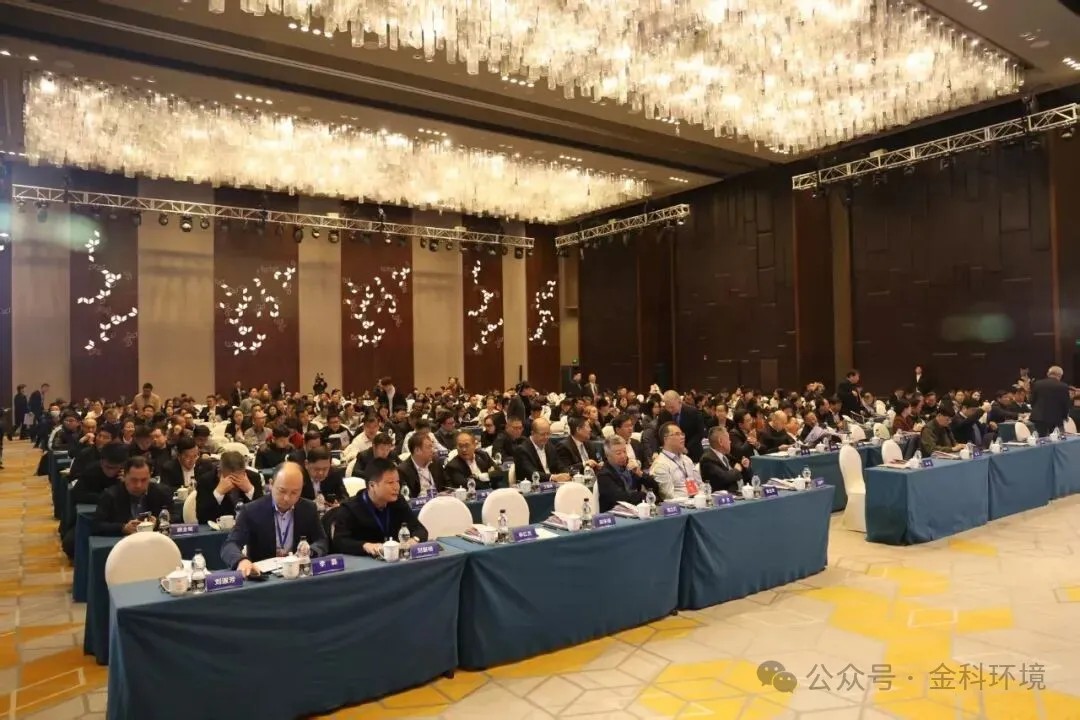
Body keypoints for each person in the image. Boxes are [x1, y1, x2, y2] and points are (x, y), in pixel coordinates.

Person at [221, 462, 328, 576]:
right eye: (282, 491)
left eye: (294, 492)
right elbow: (230, 545)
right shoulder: (251, 510)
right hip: (265, 576)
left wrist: (309, 551)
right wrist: (241, 561)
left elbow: (322, 541)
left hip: (297, 572)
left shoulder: (308, 508)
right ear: (271, 484)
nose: (287, 498)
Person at [330, 458, 427, 557]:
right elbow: (339, 542)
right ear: (372, 485)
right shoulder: (350, 509)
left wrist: (414, 540)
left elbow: (420, 530)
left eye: (397, 481)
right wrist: (365, 546)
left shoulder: (398, 502)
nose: (396, 487)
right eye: (390, 483)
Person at [92, 456, 172, 535]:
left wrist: (158, 522)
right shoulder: (110, 495)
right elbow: (96, 525)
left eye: (144, 480)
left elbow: (176, 516)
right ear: (124, 476)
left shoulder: (162, 492)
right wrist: (123, 528)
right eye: (134, 480)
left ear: (150, 475)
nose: (138, 485)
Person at [595, 435, 662, 512]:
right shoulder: (604, 475)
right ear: (607, 456)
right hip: (615, 513)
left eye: (624, 451)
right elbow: (620, 497)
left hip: (637, 509)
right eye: (618, 453)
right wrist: (644, 495)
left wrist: (640, 473)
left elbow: (655, 486)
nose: (623, 456)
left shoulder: (629, 467)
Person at [196, 450, 264, 524]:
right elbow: (202, 518)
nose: (234, 482)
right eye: (230, 478)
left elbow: (264, 512)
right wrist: (218, 493)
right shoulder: (205, 481)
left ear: (244, 471)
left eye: (238, 477)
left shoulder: (253, 477)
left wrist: (250, 490)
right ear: (219, 471)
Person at [649, 422, 701, 499]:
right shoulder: (660, 465)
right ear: (666, 439)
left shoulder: (687, 459)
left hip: (698, 500)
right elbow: (669, 496)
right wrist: (691, 500)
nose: (682, 437)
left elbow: (700, 484)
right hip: (682, 504)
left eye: (682, 434)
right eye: (677, 434)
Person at [512, 417, 571, 484]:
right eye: (542, 434)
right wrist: (552, 477)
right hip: (532, 486)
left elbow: (559, 464)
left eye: (548, 433)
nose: (546, 437)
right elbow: (532, 473)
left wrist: (567, 474)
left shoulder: (549, 445)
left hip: (552, 484)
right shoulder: (522, 450)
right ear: (533, 433)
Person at [659, 390, 706, 462]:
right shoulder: (663, 414)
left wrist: (685, 447)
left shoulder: (693, 412)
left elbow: (700, 432)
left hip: (692, 451)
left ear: (680, 402)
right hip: (672, 453)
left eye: (672, 407)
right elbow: (659, 432)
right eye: (668, 407)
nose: (670, 410)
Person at [699, 426, 750, 493]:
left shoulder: (726, 456)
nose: (730, 442)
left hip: (737, 493)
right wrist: (736, 470)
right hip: (720, 497)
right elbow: (723, 478)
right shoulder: (708, 459)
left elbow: (741, 475)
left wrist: (745, 467)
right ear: (720, 441)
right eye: (728, 439)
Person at [1031, 365, 1071, 436]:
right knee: (1057, 439)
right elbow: (1065, 404)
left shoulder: (1037, 384)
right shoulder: (1063, 386)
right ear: (1060, 375)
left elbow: (1032, 400)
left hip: (1039, 418)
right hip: (1056, 418)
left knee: (1040, 439)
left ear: (1048, 374)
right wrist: (1065, 416)